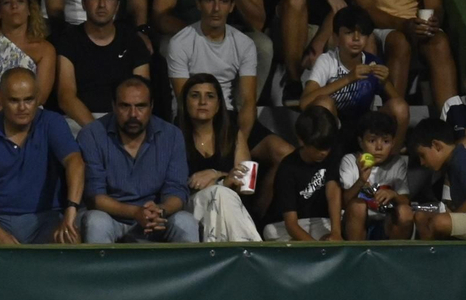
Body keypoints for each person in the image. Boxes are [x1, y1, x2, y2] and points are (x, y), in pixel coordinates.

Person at [0, 67, 84, 244]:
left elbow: (75, 162)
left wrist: (71, 210)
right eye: (14, 100)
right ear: (1, 99)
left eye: (29, 99)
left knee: (70, 238)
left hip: (47, 218)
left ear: (37, 98)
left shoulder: (52, 122)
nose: (22, 107)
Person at [77, 76, 196, 242]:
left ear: (151, 106)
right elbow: (95, 197)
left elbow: (177, 191)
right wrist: (135, 212)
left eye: (141, 106)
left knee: (186, 222)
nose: (133, 114)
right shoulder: (92, 135)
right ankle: (100, 269)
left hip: (156, 217)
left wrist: (159, 211)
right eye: (125, 106)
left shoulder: (171, 135)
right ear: (113, 105)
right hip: (111, 217)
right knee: (96, 221)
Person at [54, 0, 151, 131]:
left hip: (124, 119)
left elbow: (142, 93)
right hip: (79, 121)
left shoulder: (133, 41)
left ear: (117, 5)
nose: (102, 4)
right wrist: (98, 132)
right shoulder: (69, 40)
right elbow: (66, 96)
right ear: (84, 3)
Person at [164, 0, 257, 137]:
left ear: (232, 6)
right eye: (209, 0)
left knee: (278, 150)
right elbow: (185, 99)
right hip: (192, 116)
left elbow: (248, 102)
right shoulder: (180, 43)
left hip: (228, 114)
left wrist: (240, 144)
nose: (216, 9)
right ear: (198, 3)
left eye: (223, 1)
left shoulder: (245, 44)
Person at [300, 4, 406, 141]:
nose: (356, 38)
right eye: (349, 32)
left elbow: (399, 106)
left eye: (362, 33)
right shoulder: (327, 60)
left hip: (365, 129)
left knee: (400, 107)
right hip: (333, 126)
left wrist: (385, 82)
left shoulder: (372, 61)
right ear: (336, 37)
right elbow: (305, 103)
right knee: (323, 102)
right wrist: (348, 78)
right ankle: (327, 155)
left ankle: (391, 160)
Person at [176, 71, 260, 241]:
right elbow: (174, 184)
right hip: (189, 207)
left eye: (210, 96)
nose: (202, 102)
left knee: (221, 194)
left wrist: (217, 174)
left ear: (218, 104)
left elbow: (247, 184)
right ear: (185, 102)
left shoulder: (233, 135)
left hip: (228, 207)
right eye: (195, 96)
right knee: (219, 193)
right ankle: (250, 248)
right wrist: (221, 182)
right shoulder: (174, 136)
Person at [262, 104, 340, 240]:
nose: (323, 152)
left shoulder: (331, 155)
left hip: (321, 220)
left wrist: (336, 233)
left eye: (327, 147)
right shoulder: (288, 168)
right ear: (301, 140)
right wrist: (316, 250)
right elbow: (291, 223)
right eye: (318, 147)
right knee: (271, 232)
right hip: (288, 225)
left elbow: (333, 192)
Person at [339, 108, 411, 240]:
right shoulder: (350, 161)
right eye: (372, 141)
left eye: (385, 141)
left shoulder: (397, 163)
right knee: (357, 206)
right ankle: (356, 256)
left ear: (393, 142)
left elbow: (406, 200)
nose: (379, 147)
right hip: (356, 225)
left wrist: (394, 195)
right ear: (361, 142)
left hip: (385, 224)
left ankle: (395, 256)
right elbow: (345, 202)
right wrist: (361, 180)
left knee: (405, 212)